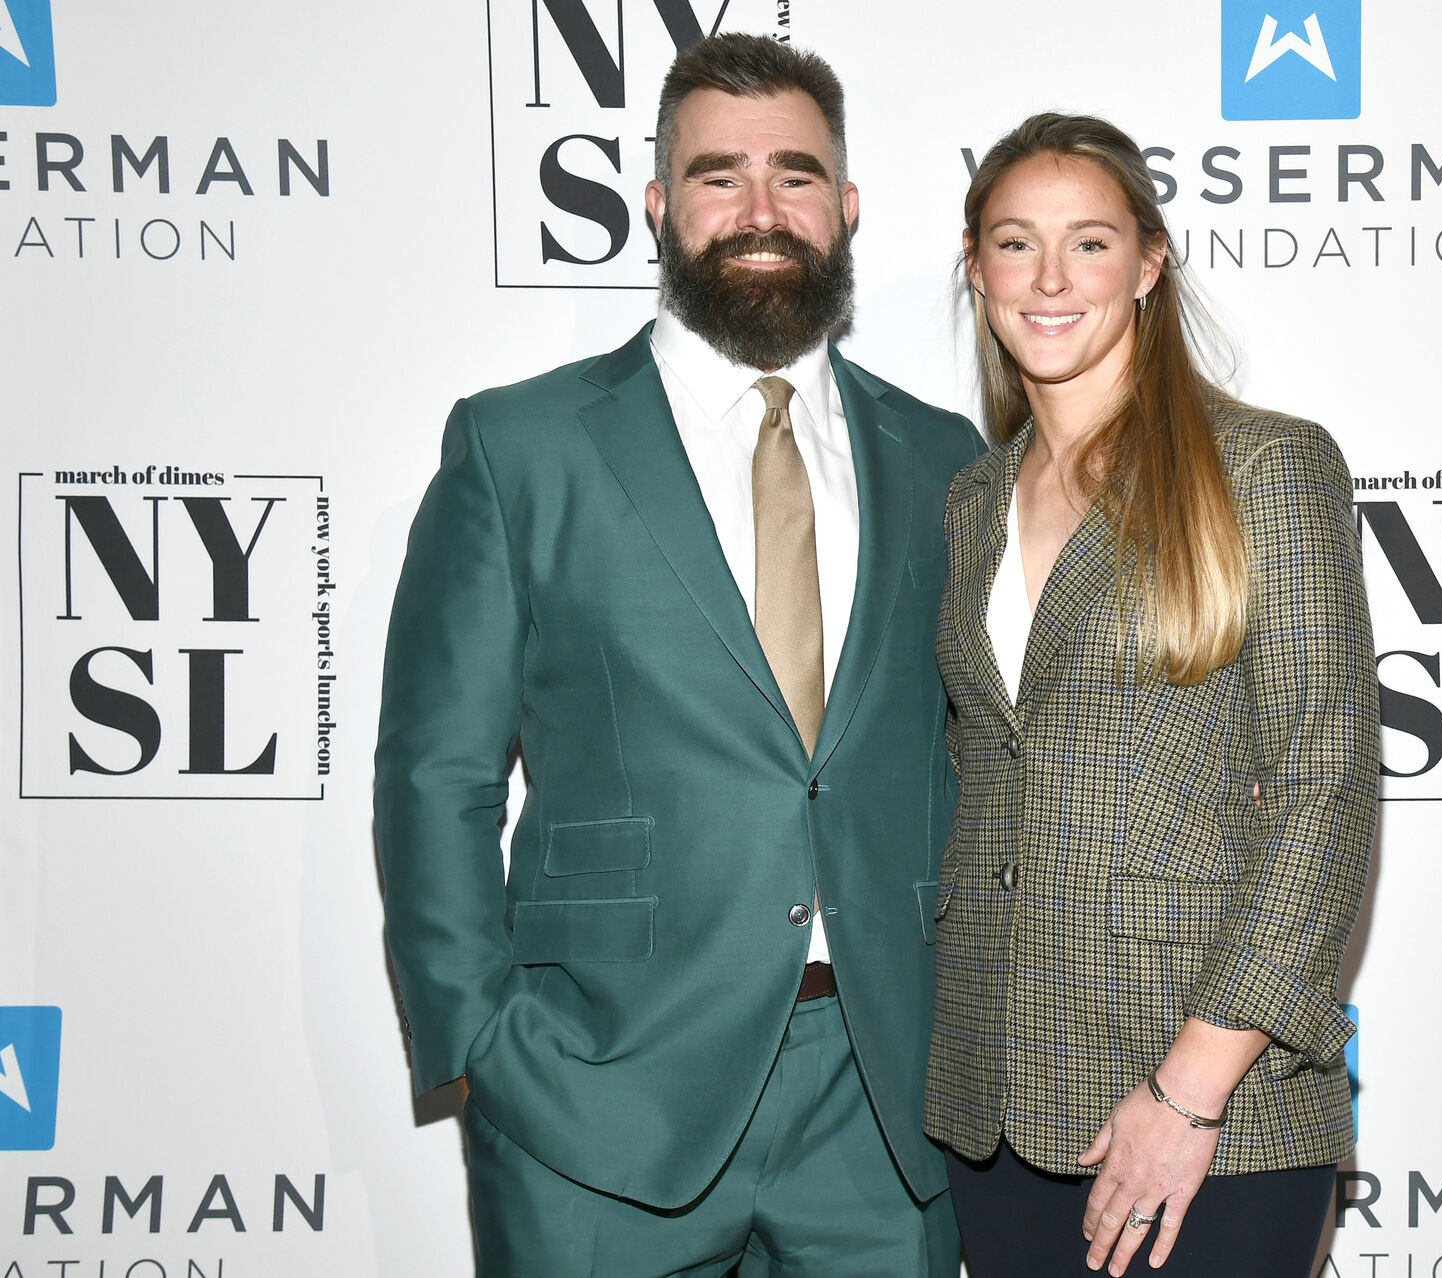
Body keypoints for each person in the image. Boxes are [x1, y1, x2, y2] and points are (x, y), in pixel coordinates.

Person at [373, 34, 979, 1278]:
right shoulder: (521, 448)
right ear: (658, 204)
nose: (761, 209)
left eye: (795, 175)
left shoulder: (942, 457)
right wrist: (481, 1039)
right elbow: (435, 775)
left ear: (846, 206)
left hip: (883, 1104)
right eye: (718, 176)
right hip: (596, 1095)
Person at [925, 113, 1379, 1277]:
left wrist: (1189, 1089)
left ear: (1148, 263)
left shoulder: (1266, 468)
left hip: (1213, 1112)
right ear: (976, 268)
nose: (1050, 279)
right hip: (995, 1105)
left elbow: (1325, 790)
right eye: (1016, 244)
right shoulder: (970, 501)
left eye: (1089, 243)